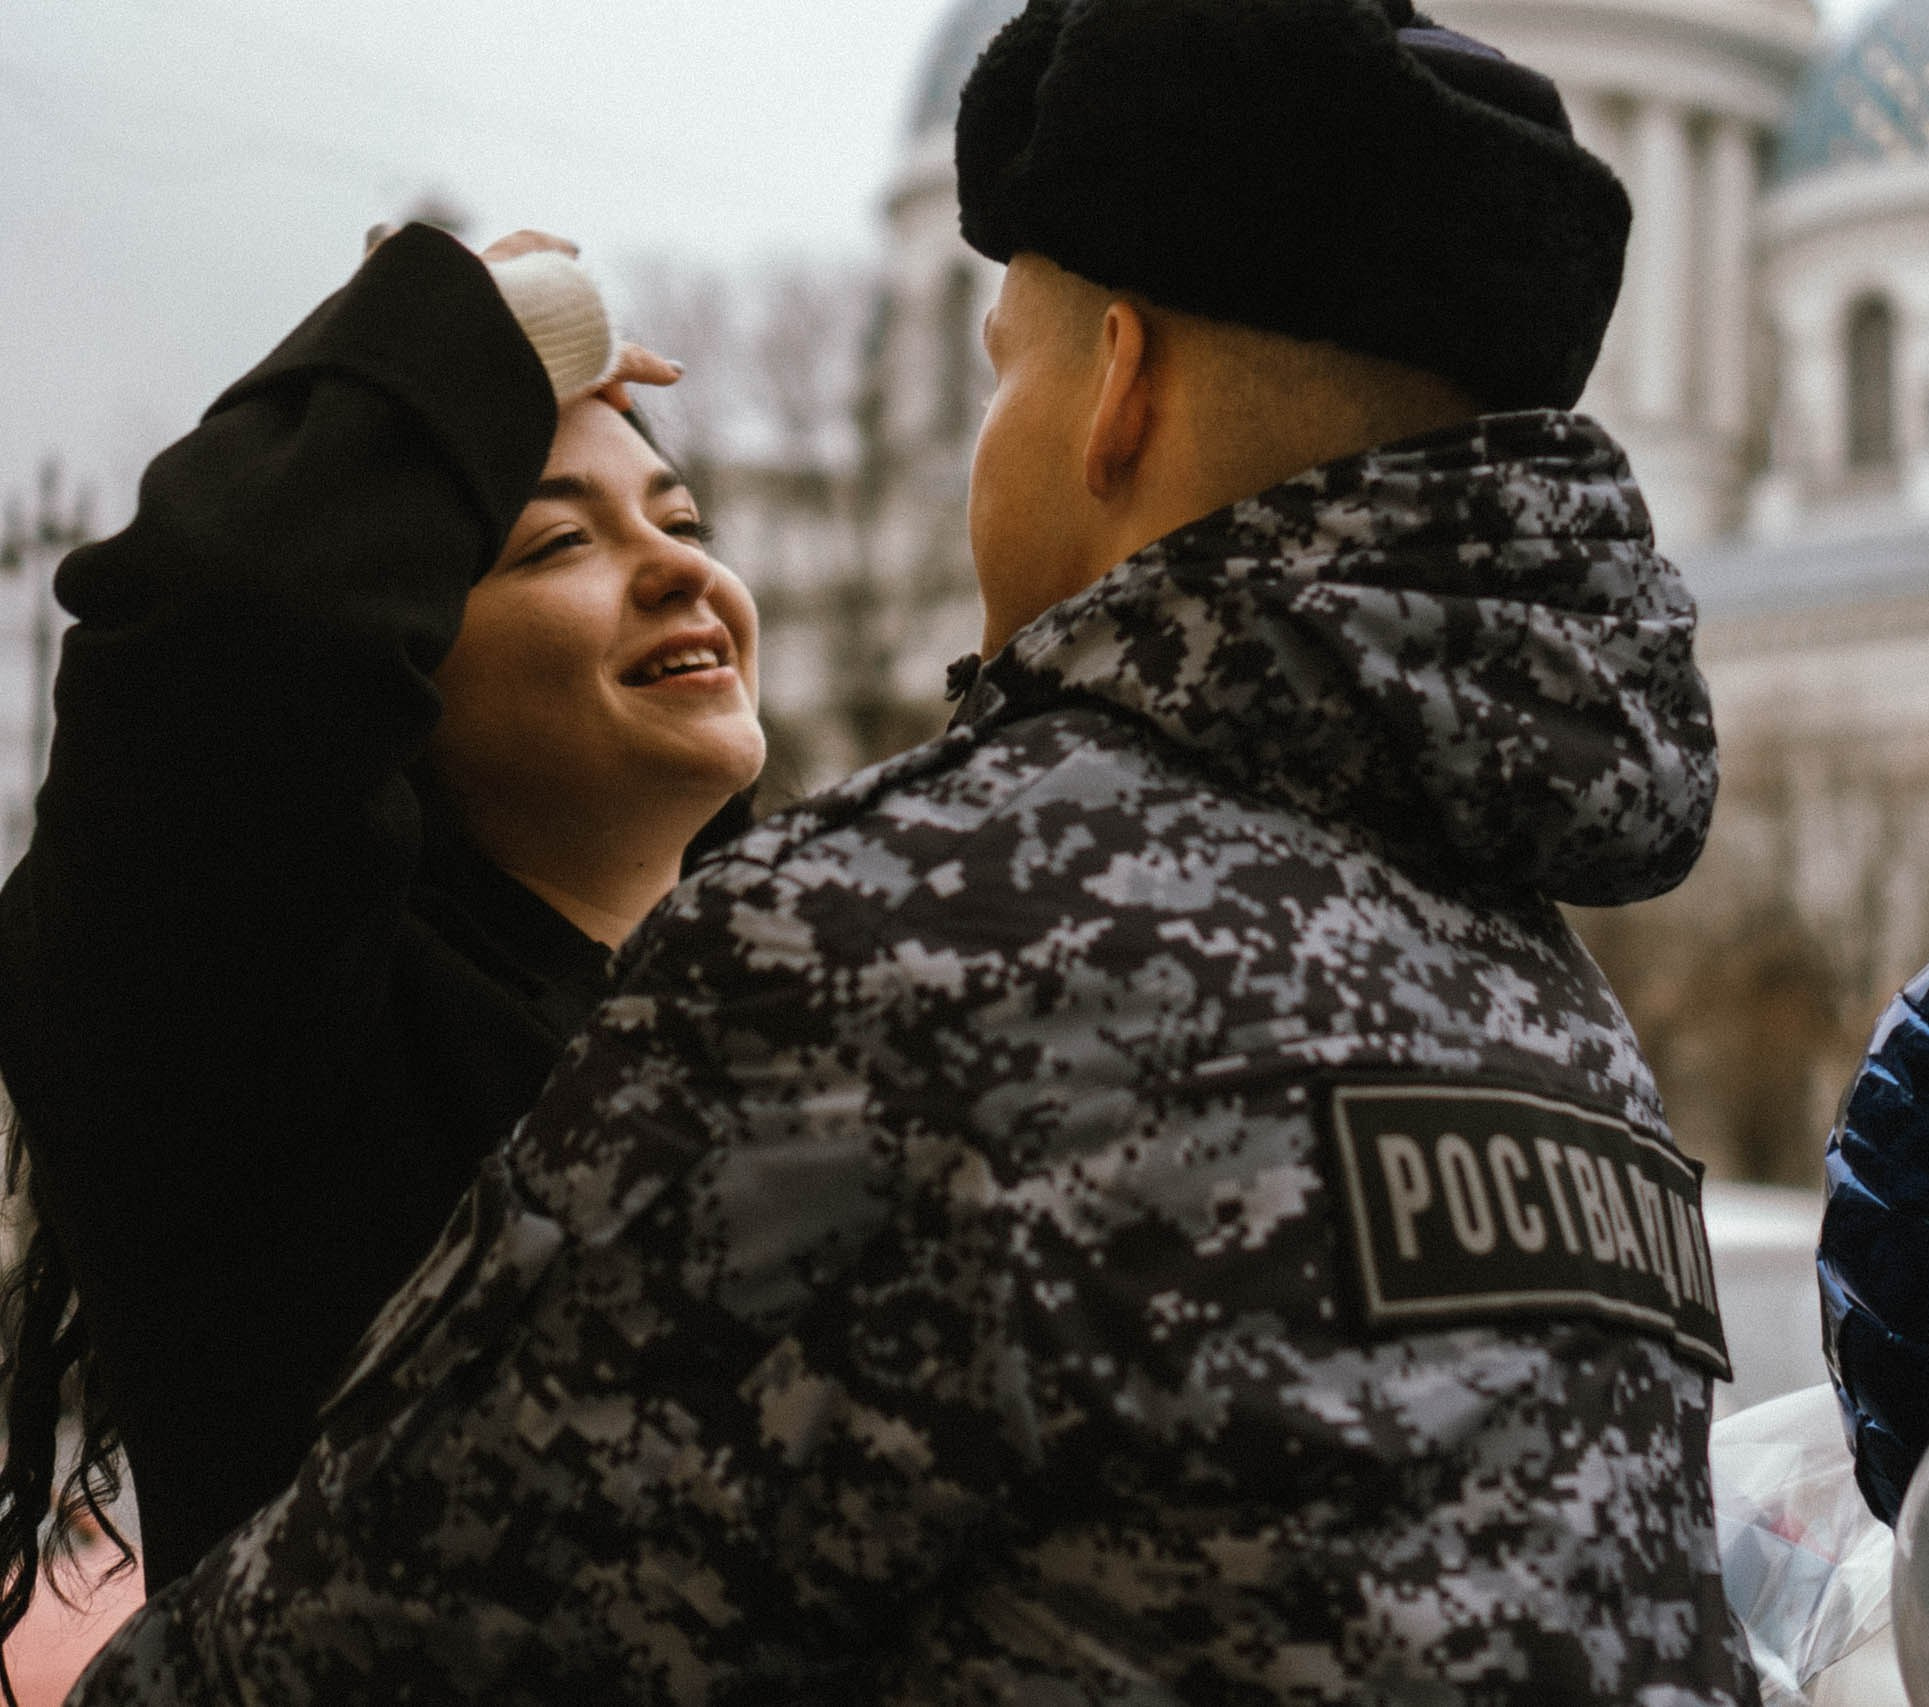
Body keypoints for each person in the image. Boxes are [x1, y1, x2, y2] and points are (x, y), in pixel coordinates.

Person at [71, 2, 1756, 1701]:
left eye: (1002, 363)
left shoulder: (895, 956)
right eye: (555, 541)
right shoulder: (1561, 1027)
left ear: (1116, 385)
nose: (676, 571)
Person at [0, 222, 763, 1628]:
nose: (676, 569)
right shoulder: (273, 1041)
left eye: (682, 519)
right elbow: (221, 638)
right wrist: (447, 354)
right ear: (393, 663)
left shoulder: (792, 1012)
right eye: (556, 545)